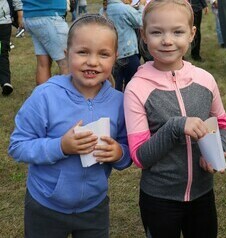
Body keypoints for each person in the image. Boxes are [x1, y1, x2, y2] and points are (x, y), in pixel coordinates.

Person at [8, 14, 132, 237]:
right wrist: (61, 147)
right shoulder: (45, 96)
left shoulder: (119, 102)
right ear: (67, 54)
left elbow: (128, 149)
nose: (92, 61)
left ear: (115, 57)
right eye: (83, 52)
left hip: (94, 208)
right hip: (45, 206)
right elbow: (18, 146)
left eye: (103, 54)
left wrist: (119, 153)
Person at [123, 0, 226, 237]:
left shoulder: (205, 80)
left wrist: (218, 150)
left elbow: (223, 126)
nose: (167, 40)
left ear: (192, 34)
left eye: (178, 31)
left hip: (203, 195)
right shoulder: (136, 89)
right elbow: (140, 156)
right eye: (156, 32)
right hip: (159, 199)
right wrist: (175, 127)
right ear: (143, 35)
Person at [100, 0, 144, 92]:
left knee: (115, 85)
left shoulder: (102, 11)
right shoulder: (124, 8)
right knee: (133, 85)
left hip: (113, 54)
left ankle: (116, 104)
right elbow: (141, 21)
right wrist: (141, 6)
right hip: (129, 53)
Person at [22, 0, 69, 85]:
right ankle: (69, 96)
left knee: (43, 63)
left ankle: (43, 97)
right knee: (67, 63)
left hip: (31, 14)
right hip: (49, 15)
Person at [0, 0, 23, 96]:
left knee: (2, 51)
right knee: (2, 53)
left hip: (3, 23)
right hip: (4, 21)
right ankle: (5, 81)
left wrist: (20, 15)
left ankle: (5, 82)